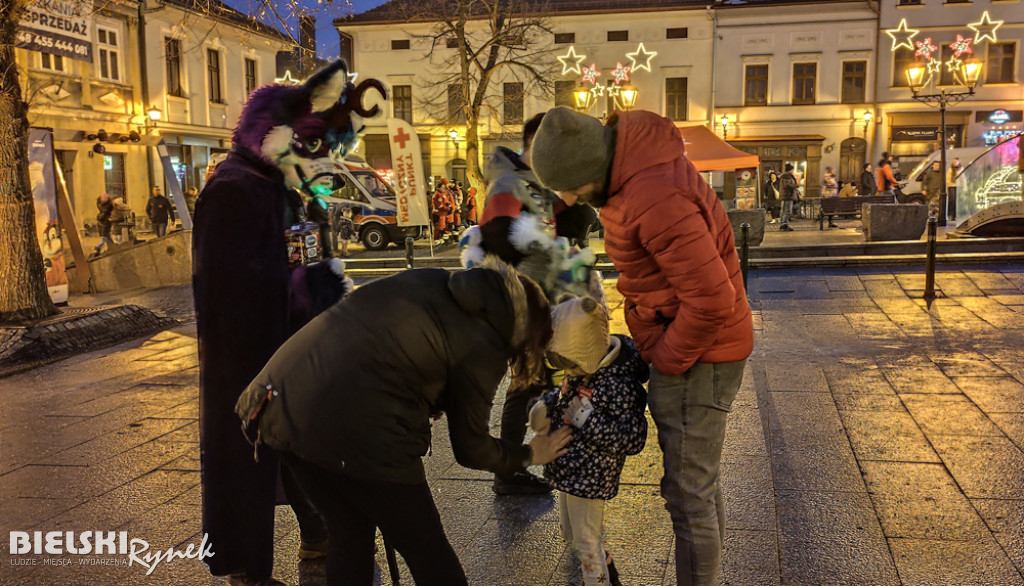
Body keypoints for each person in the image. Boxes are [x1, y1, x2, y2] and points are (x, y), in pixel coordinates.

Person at [235, 261, 573, 586]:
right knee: (427, 551)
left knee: (348, 533)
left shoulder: (434, 280)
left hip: (277, 401)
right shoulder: (486, 343)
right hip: (358, 428)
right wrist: (529, 454)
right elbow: (471, 448)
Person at [530, 107, 754, 586]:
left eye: (566, 186)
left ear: (588, 171)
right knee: (698, 485)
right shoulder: (635, 178)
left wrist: (668, 362)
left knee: (688, 494)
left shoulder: (652, 194)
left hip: (698, 356)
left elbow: (713, 299)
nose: (565, 198)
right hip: (695, 347)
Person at [193, 59, 376, 585]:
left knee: (305, 452)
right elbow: (229, 294)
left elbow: (310, 260)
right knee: (247, 463)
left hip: (297, 352)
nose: (322, 165)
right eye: (315, 150)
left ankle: (317, 534)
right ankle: (246, 566)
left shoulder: (279, 187)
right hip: (253, 359)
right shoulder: (233, 187)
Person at [464, 111, 600, 495]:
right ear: (538, 145)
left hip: (538, 298)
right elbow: (498, 238)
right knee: (525, 382)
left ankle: (524, 463)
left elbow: (551, 223)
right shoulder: (510, 182)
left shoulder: (533, 183)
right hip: (521, 302)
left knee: (534, 382)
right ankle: (508, 472)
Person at [529, 295, 648, 586]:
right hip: (569, 468)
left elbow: (632, 438)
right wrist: (546, 406)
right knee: (571, 533)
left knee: (585, 541)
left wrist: (586, 419)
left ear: (590, 352)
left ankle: (597, 578)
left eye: (572, 367)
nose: (568, 374)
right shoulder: (582, 368)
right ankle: (605, 567)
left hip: (591, 475)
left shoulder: (618, 383)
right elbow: (564, 401)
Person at [306, 192, 333, 258]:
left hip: (315, 226)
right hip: (322, 226)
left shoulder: (313, 201)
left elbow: (310, 215)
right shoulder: (319, 200)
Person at [778, 163, 798, 231]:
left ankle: (783, 224)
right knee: (786, 211)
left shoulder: (785, 176)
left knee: (784, 210)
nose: (793, 171)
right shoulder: (787, 176)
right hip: (787, 196)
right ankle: (784, 224)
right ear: (790, 170)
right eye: (792, 169)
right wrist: (795, 185)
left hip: (786, 195)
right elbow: (787, 185)